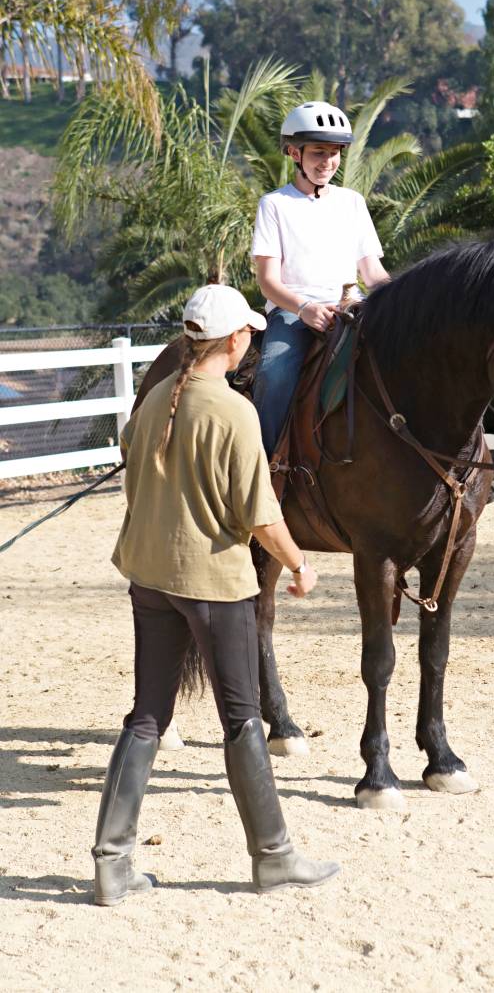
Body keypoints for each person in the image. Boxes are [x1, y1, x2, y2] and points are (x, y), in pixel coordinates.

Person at [91, 283, 340, 906]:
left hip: (149, 576)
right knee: (241, 717)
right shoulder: (232, 412)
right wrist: (298, 565)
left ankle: (112, 864)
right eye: (248, 333)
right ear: (233, 340)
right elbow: (259, 513)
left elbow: (136, 484)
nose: (251, 340)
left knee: (146, 716)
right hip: (212, 585)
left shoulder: (153, 405)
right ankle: (275, 857)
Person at [251, 100, 391, 456]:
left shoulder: (352, 203)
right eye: (318, 152)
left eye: (333, 152)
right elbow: (268, 282)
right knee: (274, 373)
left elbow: (372, 272)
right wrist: (305, 308)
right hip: (292, 313)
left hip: (352, 308)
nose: (327, 162)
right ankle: (265, 469)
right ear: (294, 153)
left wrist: (400, 299)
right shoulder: (274, 205)